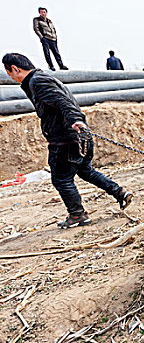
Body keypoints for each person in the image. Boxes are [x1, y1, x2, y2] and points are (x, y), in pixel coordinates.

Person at [2, 53, 133, 228]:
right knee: (86, 171)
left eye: (9, 73)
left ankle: (77, 215)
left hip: (65, 140)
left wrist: (75, 120)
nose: (10, 77)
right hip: (76, 136)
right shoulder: (41, 79)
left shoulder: (38, 82)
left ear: (15, 69)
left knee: (61, 179)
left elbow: (63, 102)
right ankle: (120, 193)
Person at [33, 7, 68, 71]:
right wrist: (41, 37)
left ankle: (61, 65)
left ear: (46, 13)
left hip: (53, 38)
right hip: (45, 38)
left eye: (44, 12)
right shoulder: (37, 19)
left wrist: (55, 36)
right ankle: (51, 66)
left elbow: (53, 29)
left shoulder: (49, 20)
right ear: (39, 13)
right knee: (47, 53)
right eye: (41, 12)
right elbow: (36, 29)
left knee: (56, 53)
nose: (43, 13)